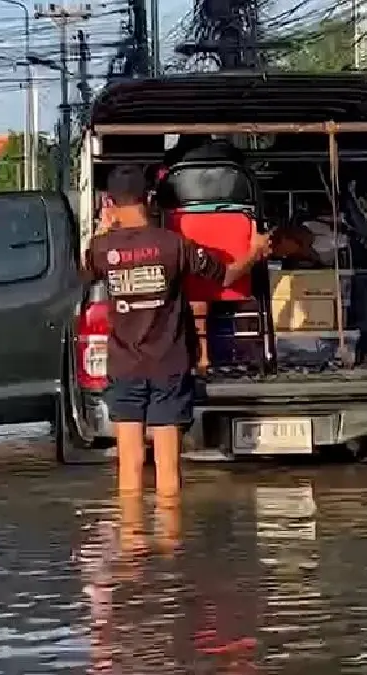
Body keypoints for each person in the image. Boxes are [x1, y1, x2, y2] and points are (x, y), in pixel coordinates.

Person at [82, 164, 271, 498]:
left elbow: (83, 273)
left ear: (109, 202)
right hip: (168, 365)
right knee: (168, 465)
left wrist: (102, 229)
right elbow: (224, 276)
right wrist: (254, 253)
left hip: (125, 367)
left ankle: (132, 540)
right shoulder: (174, 245)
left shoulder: (101, 249)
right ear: (150, 198)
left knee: (130, 463)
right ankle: (171, 544)